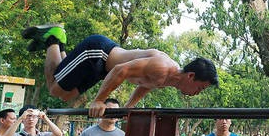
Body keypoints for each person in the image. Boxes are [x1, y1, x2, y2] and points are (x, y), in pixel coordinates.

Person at [21, 24, 218, 117]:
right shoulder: (163, 66)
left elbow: (145, 85)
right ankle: (53, 38)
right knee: (55, 89)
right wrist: (99, 100)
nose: (196, 93)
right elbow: (120, 71)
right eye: (199, 88)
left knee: (65, 95)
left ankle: (57, 43)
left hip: (101, 69)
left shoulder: (169, 79)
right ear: (191, 76)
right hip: (97, 53)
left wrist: (129, 107)